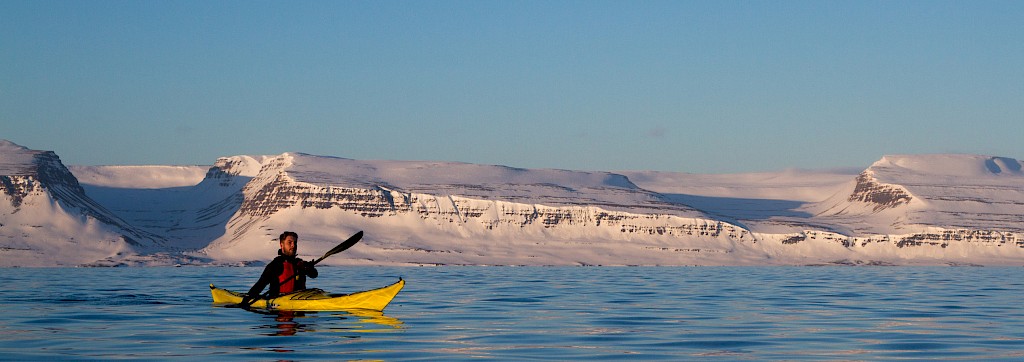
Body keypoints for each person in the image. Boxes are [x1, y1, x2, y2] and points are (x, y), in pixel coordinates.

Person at [238, 231, 318, 308]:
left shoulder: (300, 263)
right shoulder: (276, 264)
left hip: (301, 299)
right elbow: (259, 285)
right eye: (289, 242)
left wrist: (310, 268)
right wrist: (245, 301)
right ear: (281, 245)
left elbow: (314, 275)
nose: (293, 245)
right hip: (279, 305)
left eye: (295, 242)